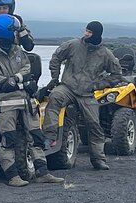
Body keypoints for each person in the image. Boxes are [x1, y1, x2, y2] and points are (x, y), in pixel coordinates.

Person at [0, 14, 64, 187]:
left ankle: (42, 172)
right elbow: (0, 84)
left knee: (36, 136)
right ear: (7, 33)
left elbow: (28, 70)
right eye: (15, 31)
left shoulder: (18, 50)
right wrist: (23, 83)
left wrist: (17, 79)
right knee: (8, 140)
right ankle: (12, 176)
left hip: (27, 102)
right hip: (6, 104)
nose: (17, 34)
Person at [43, 21, 122, 171]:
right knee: (54, 99)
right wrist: (55, 78)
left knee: (94, 124)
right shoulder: (73, 45)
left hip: (87, 93)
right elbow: (56, 58)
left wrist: (97, 85)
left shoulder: (105, 54)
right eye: (86, 31)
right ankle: (50, 138)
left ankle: (98, 159)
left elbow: (117, 75)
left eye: (89, 32)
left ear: (97, 34)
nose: (86, 34)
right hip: (67, 87)